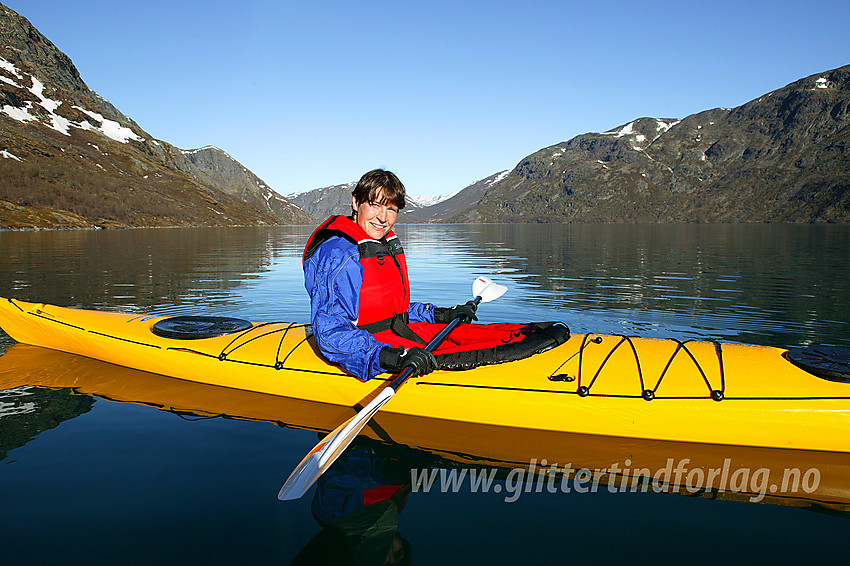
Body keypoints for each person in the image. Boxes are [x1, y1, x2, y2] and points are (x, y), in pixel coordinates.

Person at [303, 169, 477, 381]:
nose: (383, 218)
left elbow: (390, 313)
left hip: (393, 339)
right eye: (375, 205)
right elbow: (331, 332)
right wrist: (389, 357)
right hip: (369, 350)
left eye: (391, 209)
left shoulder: (378, 245)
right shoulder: (338, 255)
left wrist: (439, 314)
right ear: (356, 203)